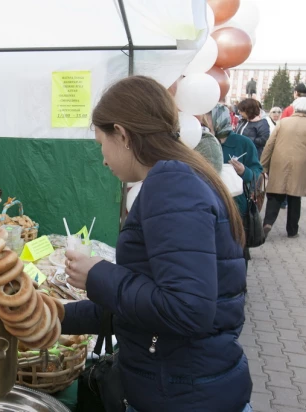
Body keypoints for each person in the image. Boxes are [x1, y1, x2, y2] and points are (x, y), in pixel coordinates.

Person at [62, 76, 252, 411]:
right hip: (189, 384)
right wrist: (54, 316)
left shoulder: (171, 185)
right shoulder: (185, 176)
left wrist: (97, 274)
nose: (103, 160)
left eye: (101, 144)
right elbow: (144, 304)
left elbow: (187, 309)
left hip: (183, 393)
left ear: (122, 135)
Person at [208, 104, 263, 269]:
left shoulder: (243, 143)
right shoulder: (203, 141)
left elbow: (256, 172)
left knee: (237, 252)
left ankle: (238, 286)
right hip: (210, 203)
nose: (205, 121)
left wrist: (243, 171)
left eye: (208, 118)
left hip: (237, 206)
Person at [261, 97, 306, 239]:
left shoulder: (283, 122)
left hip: (279, 161)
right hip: (300, 164)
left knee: (275, 194)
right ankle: (292, 230)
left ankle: (268, 222)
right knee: (294, 197)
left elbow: (269, 144)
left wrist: (263, 165)